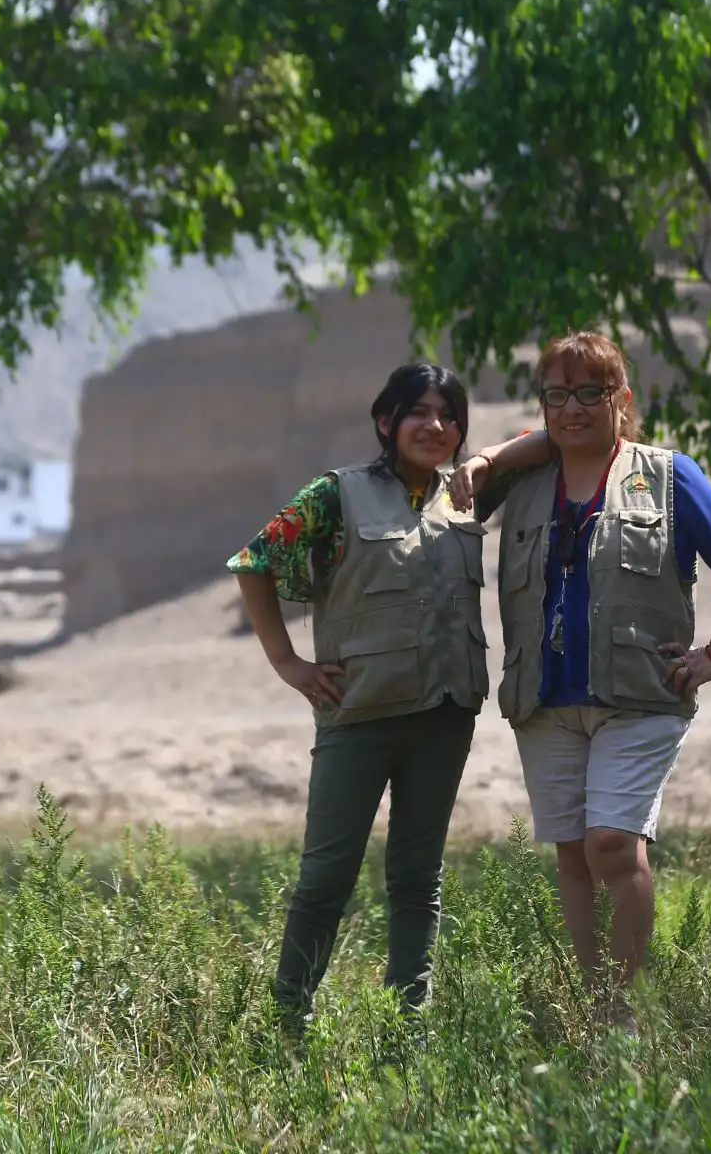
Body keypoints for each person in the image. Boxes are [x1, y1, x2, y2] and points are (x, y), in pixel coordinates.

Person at [450, 331, 711, 1008]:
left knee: (611, 843)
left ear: (621, 399)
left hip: (639, 696)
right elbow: (437, 512)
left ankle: (625, 1007)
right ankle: (593, 1005)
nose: (571, 408)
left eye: (590, 392)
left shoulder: (666, 475)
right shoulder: (522, 483)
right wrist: (490, 455)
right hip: (543, 699)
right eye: (557, 394)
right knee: (572, 852)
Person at [228, 362, 488, 1032]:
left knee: (416, 878)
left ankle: (408, 1030)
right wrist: (287, 662)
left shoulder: (468, 495)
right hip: (359, 717)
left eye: (449, 415)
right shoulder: (334, 495)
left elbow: (547, 438)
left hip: (445, 716)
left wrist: (487, 457)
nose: (435, 426)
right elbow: (255, 562)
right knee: (326, 879)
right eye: (418, 412)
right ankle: (288, 1025)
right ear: (385, 422)